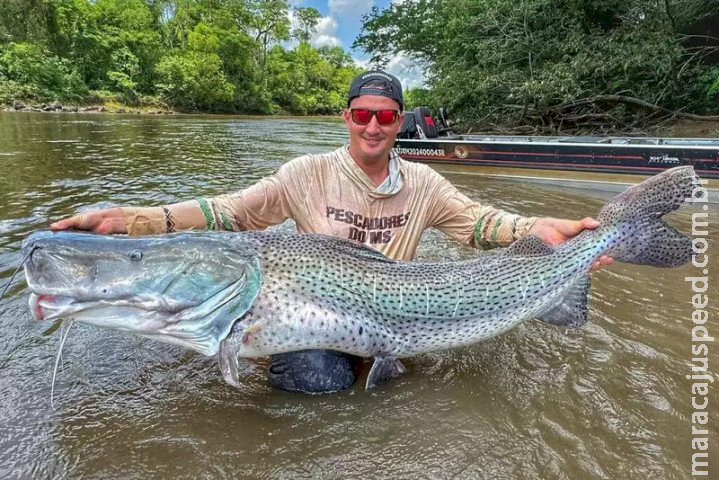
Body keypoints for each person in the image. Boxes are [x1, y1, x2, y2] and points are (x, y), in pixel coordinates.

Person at [51, 70, 612, 393]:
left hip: (400, 309)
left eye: (386, 116)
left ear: (399, 122)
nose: (373, 125)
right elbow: (230, 213)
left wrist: (543, 229)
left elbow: (483, 225)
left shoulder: (425, 183)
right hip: (324, 324)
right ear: (346, 117)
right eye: (362, 114)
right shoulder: (304, 174)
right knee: (315, 377)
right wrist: (128, 222)